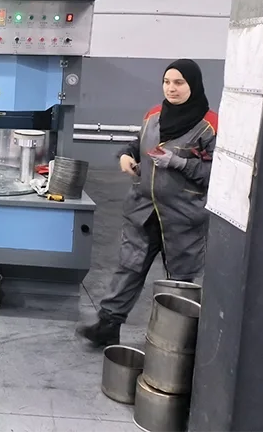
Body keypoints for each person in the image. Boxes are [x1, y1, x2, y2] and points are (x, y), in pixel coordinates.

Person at [78, 59, 218, 347]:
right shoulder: (154, 115)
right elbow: (138, 143)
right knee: (129, 267)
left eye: (179, 83)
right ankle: (108, 324)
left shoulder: (209, 126)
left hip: (183, 216)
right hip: (144, 210)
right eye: (167, 82)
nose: (171, 88)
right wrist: (127, 155)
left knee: (180, 279)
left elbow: (218, 173)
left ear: (193, 85)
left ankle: (177, 341)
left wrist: (179, 163)